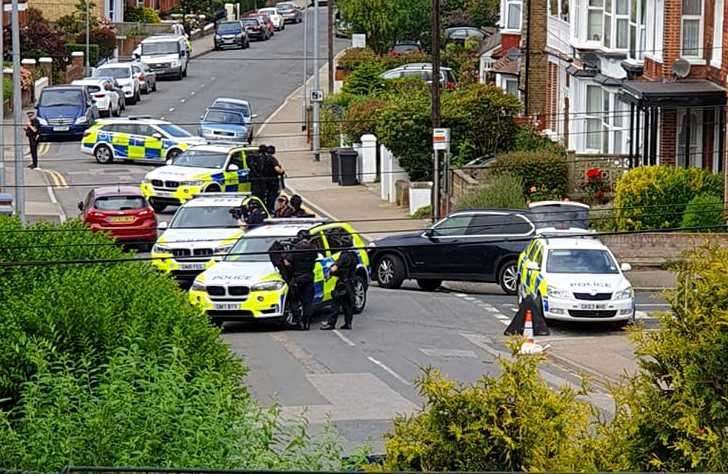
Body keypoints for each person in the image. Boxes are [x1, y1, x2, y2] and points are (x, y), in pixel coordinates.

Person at [283, 229, 317, 330]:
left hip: (297, 278)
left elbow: (287, 262)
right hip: (309, 278)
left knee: (293, 300)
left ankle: (299, 322)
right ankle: (306, 323)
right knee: (307, 303)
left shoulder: (296, 248)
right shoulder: (313, 249)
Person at [320, 248, 358, 330]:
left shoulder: (344, 256)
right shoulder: (354, 255)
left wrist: (329, 272)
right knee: (347, 305)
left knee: (335, 304)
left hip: (342, 283)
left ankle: (331, 324)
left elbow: (336, 266)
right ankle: (348, 323)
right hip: (350, 283)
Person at [262, 145, 285, 213]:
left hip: (265, 180)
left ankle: (267, 207)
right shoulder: (272, 159)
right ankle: (271, 209)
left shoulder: (264, 159)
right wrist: (282, 170)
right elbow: (277, 169)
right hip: (273, 180)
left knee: (268, 195)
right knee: (273, 195)